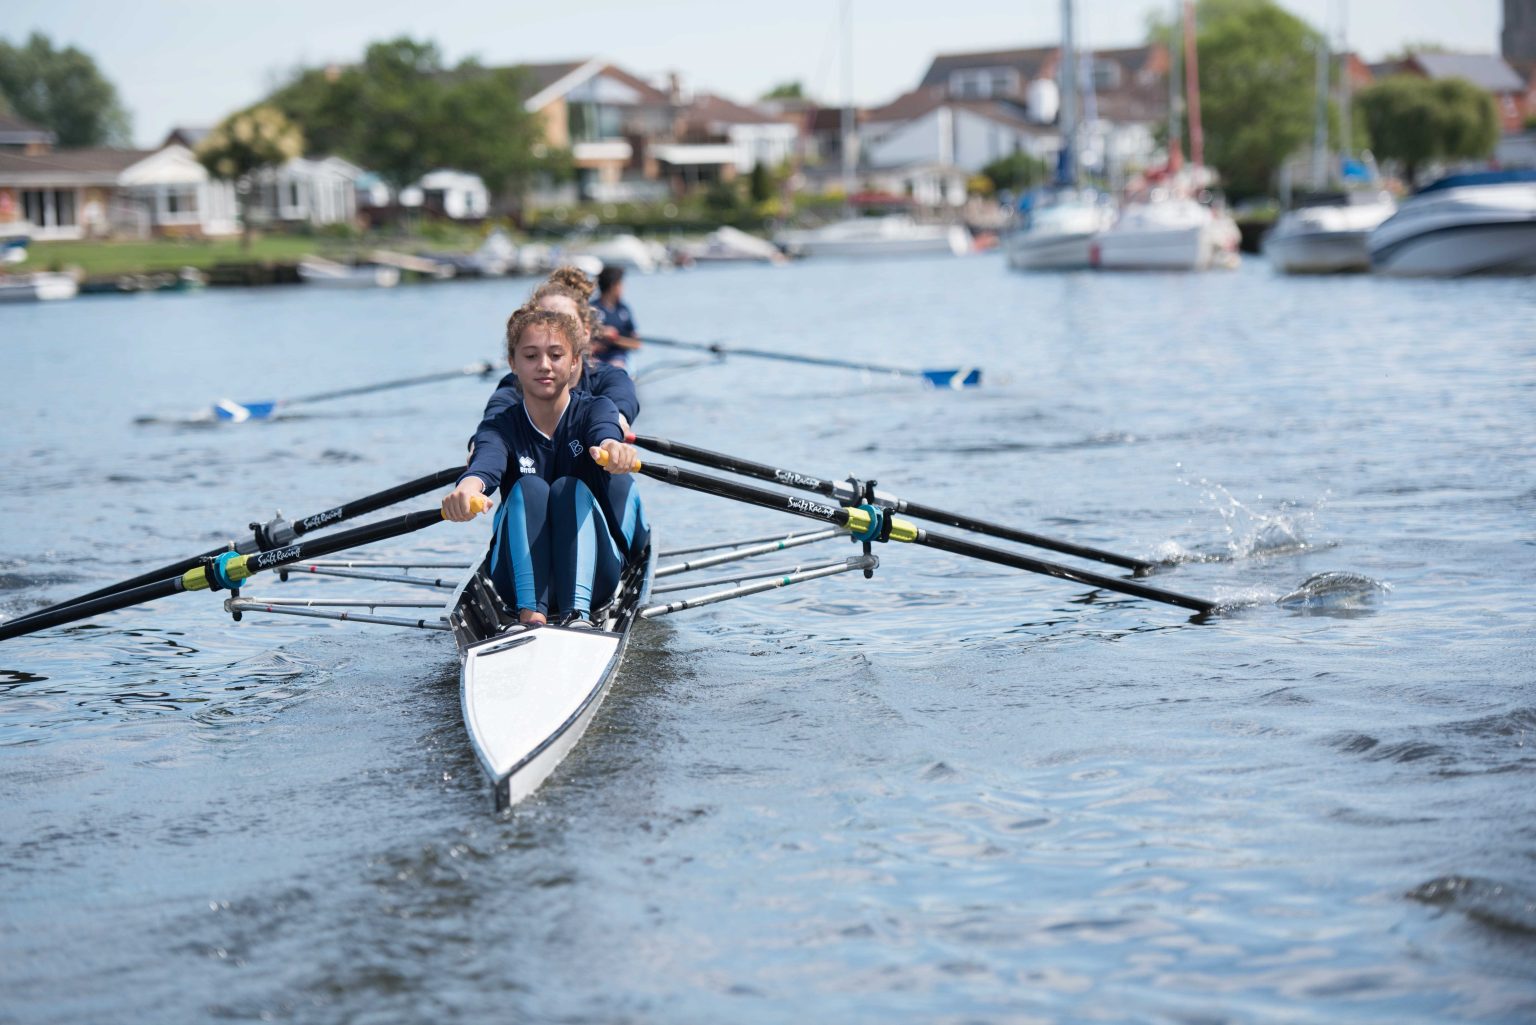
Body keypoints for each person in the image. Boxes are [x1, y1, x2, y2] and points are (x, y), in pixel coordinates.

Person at [443, 308, 648, 628]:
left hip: (596, 576)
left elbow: (605, 434)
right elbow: (485, 464)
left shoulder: (595, 409)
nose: (544, 366)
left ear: (575, 362)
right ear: (513, 364)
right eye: (530, 356)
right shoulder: (499, 427)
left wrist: (614, 449)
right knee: (530, 488)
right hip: (514, 582)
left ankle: (577, 615)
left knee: (569, 488)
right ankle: (531, 615)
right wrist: (467, 490)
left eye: (556, 355)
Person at [478, 267, 640, 432]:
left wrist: (616, 424)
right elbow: (493, 422)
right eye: (543, 319)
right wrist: (482, 444)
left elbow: (621, 400)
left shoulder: (611, 378)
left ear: (586, 333)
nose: (553, 330)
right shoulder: (514, 385)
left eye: (565, 321)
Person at [590, 264, 642, 370]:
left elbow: (637, 344)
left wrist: (615, 339)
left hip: (618, 357)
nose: (623, 288)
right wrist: (600, 332)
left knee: (615, 368)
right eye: (621, 285)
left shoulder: (624, 309)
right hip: (596, 357)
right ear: (614, 286)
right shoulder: (591, 309)